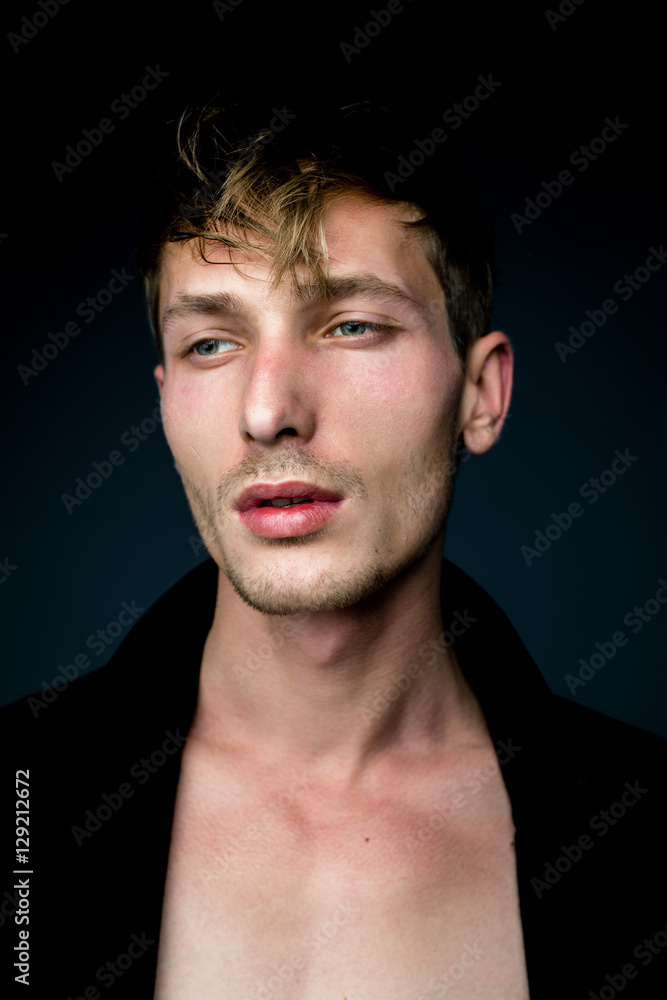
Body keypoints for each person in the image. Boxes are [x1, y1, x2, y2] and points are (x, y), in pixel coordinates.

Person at [4, 99, 665, 999]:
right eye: (212, 342)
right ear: (163, 404)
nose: (268, 409)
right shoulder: (17, 801)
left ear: (480, 395)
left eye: (350, 324)